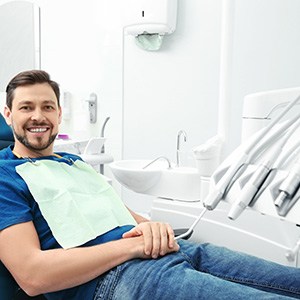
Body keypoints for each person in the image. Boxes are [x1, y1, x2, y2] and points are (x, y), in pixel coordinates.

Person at [0, 70, 299, 300]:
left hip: (169, 251)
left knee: (292, 282)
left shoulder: (75, 163)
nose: (38, 116)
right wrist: (131, 247)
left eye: (47, 107)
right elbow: (32, 275)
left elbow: (130, 219)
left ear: (59, 114)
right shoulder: (6, 176)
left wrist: (154, 228)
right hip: (115, 277)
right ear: (8, 114)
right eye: (26, 107)